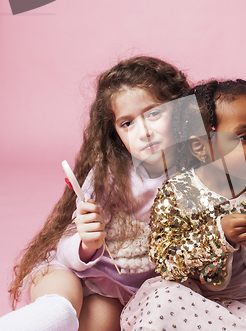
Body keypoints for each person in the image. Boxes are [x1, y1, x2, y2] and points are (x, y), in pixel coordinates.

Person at [0, 56, 190, 331]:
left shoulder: (197, 171)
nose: (144, 132)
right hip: (69, 269)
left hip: (119, 291)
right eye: (127, 123)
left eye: (154, 113)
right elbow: (66, 243)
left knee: (102, 322)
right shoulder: (111, 175)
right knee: (61, 308)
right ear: (115, 131)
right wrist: (86, 243)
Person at [120, 79, 246, 331]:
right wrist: (219, 236)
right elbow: (165, 260)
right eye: (244, 136)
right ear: (201, 148)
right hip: (191, 297)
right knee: (163, 302)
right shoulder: (178, 193)